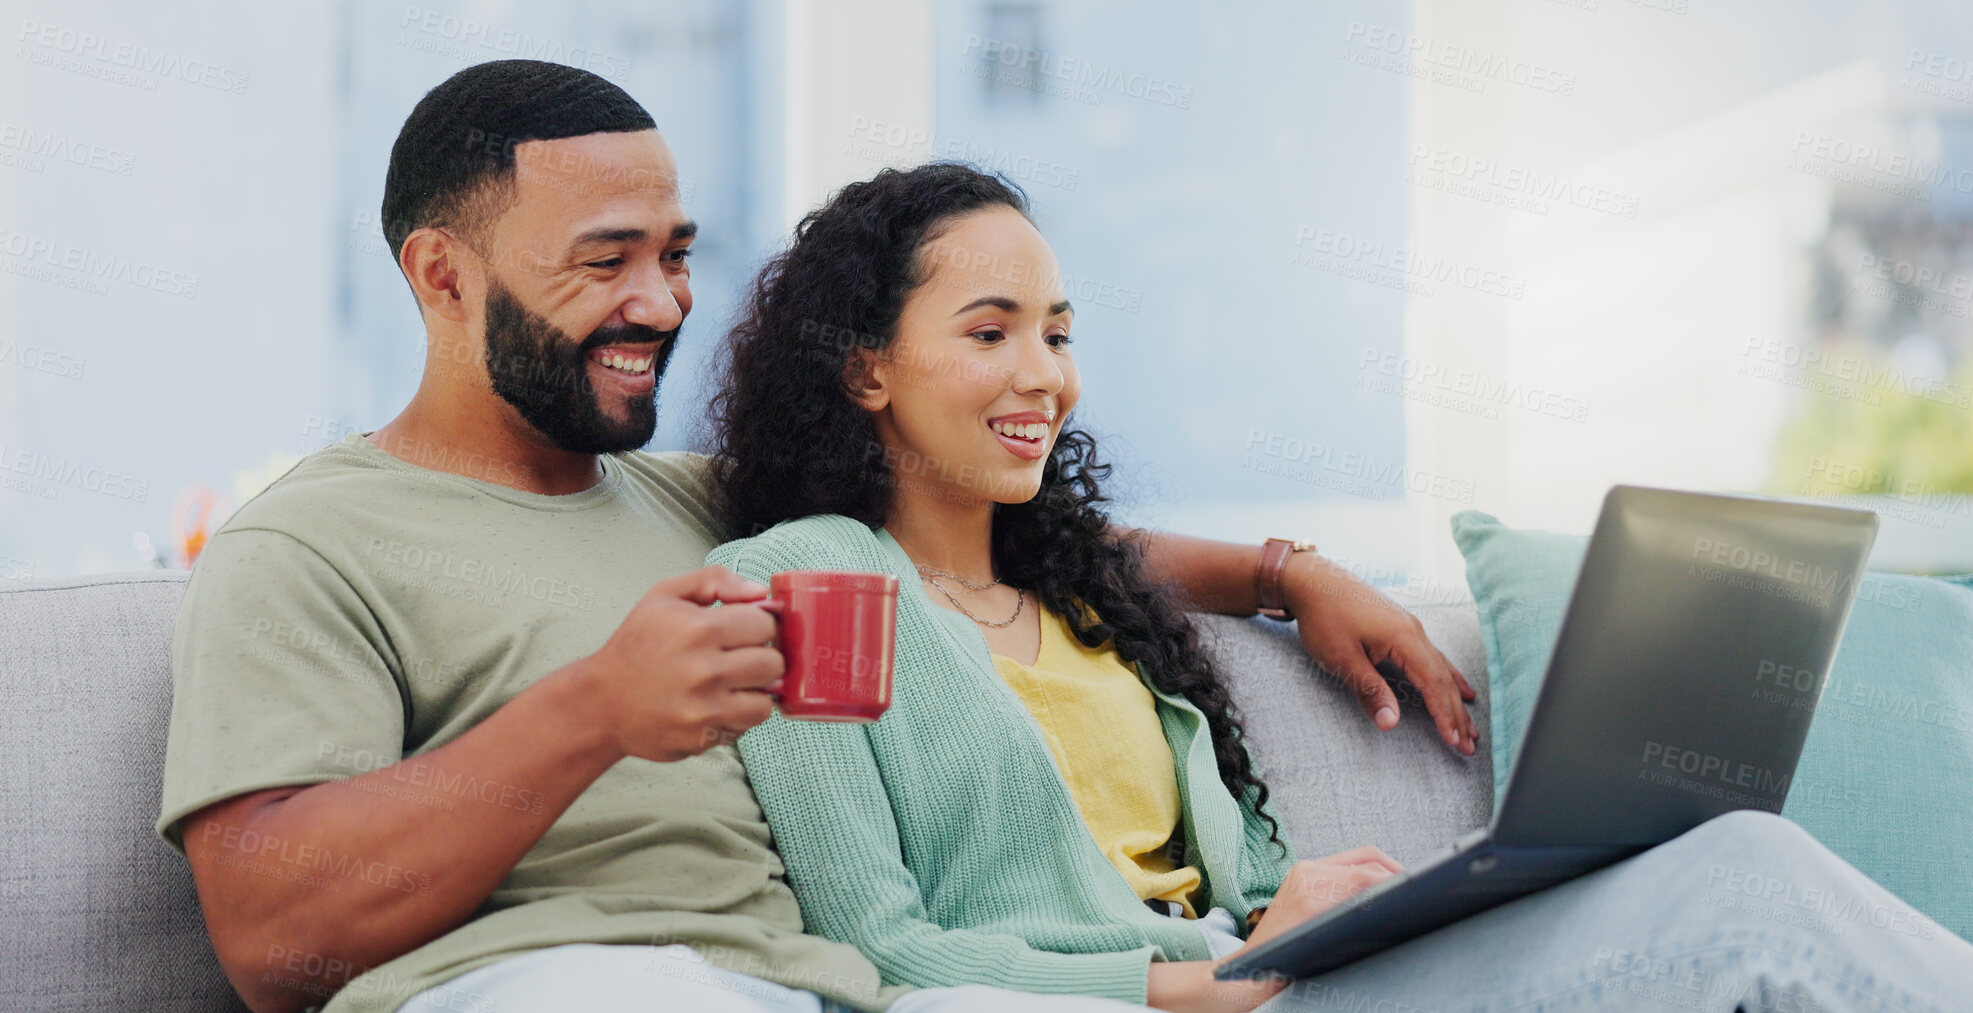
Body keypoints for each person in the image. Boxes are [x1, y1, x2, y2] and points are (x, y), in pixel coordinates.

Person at [155, 60, 1472, 1013]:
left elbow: (983, 522)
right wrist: (592, 711)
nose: (661, 300)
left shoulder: (694, 503)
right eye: (604, 259)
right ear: (442, 277)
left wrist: (1282, 575)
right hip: (544, 984)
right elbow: (274, 938)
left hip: (816, 982)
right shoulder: (310, 544)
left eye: (674, 254)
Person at [704, 162, 1973, 1013]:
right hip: (1173, 1001)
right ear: (865, 368)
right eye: (989, 332)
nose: (1043, 372)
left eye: (1058, 330)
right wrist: (1180, 977)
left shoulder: (1084, 592)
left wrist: (1309, 911)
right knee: (1742, 892)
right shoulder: (801, 588)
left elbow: (1223, 883)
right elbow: (882, 945)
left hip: (1281, 977)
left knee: (1731, 854)